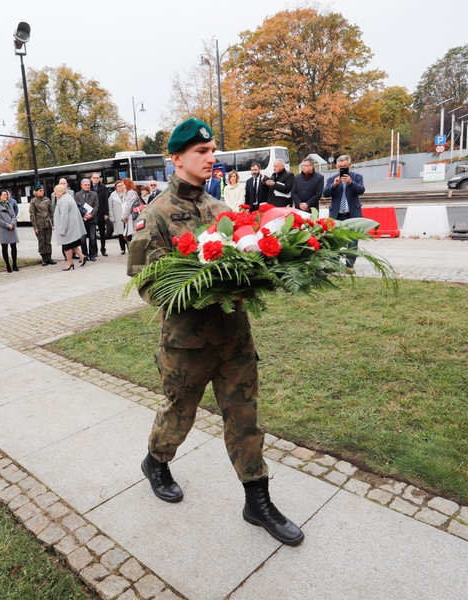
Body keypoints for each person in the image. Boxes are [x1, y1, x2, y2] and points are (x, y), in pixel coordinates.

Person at [127, 117, 304, 546]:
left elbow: (250, 261)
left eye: (213, 151)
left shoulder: (223, 211)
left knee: (245, 420)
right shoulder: (154, 216)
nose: (212, 158)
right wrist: (200, 290)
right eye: (202, 152)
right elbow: (144, 280)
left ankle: (257, 500)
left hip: (235, 339)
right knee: (179, 415)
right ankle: (156, 462)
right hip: (187, 345)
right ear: (177, 158)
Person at [324, 155, 365, 269]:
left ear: (350, 166)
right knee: (334, 241)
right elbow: (325, 193)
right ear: (336, 167)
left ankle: (349, 266)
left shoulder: (357, 177)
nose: (342, 168)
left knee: (352, 242)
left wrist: (350, 183)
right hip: (336, 215)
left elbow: (361, 190)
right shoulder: (332, 179)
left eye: (345, 166)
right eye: (340, 166)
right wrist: (334, 185)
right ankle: (334, 265)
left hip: (352, 215)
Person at [52, 184, 86, 270]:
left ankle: (69, 263)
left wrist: (62, 230)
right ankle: (82, 256)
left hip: (67, 228)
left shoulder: (64, 201)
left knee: (67, 246)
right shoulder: (67, 197)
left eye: (55, 193)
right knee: (73, 244)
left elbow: (64, 216)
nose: (55, 195)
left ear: (60, 192)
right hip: (71, 226)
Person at [29, 183, 56, 265]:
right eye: (40, 191)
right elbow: (32, 214)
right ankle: (44, 258)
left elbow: (51, 212)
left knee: (48, 241)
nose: (42, 192)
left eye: (43, 190)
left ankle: (49, 257)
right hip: (39, 225)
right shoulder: (33, 201)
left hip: (48, 224)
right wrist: (35, 227)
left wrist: (53, 223)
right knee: (41, 242)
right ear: (36, 192)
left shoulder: (47, 200)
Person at [0, 189, 20, 272]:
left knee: (14, 247)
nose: (5, 196)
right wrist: (7, 225)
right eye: (3, 194)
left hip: (12, 228)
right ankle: (8, 265)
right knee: (4, 248)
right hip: (3, 230)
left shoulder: (9, 204)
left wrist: (12, 223)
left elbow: (13, 215)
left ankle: (15, 264)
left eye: (6, 194)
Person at [74, 178, 99, 261]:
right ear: (81, 185)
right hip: (82, 220)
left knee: (92, 238)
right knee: (83, 238)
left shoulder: (94, 194)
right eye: (85, 185)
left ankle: (92, 254)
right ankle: (85, 254)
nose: (87, 186)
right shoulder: (77, 195)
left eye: (88, 185)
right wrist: (84, 214)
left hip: (92, 219)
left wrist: (91, 215)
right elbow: (77, 206)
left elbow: (96, 206)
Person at [90, 172, 109, 257]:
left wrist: (106, 213)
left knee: (102, 233)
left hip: (101, 213)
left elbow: (106, 201)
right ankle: (95, 251)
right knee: (93, 234)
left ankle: (103, 249)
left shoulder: (103, 187)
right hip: (93, 213)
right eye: (94, 178)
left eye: (97, 178)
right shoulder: (89, 187)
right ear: (91, 178)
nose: (96, 179)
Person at [121, 178, 142, 242]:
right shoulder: (130, 192)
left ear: (127, 184)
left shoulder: (130, 193)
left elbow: (128, 206)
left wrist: (123, 217)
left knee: (131, 237)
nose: (122, 186)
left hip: (132, 218)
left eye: (123, 184)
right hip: (131, 217)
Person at [108, 181, 127, 254]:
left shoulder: (126, 193)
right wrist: (111, 216)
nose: (120, 187)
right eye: (118, 186)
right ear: (115, 187)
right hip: (118, 216)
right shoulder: (113, 195)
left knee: (128, 233)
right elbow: (110, 206)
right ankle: (122, 249)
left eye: (121, 185)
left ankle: (129, 247)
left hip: (126, 216)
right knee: (121, 233)